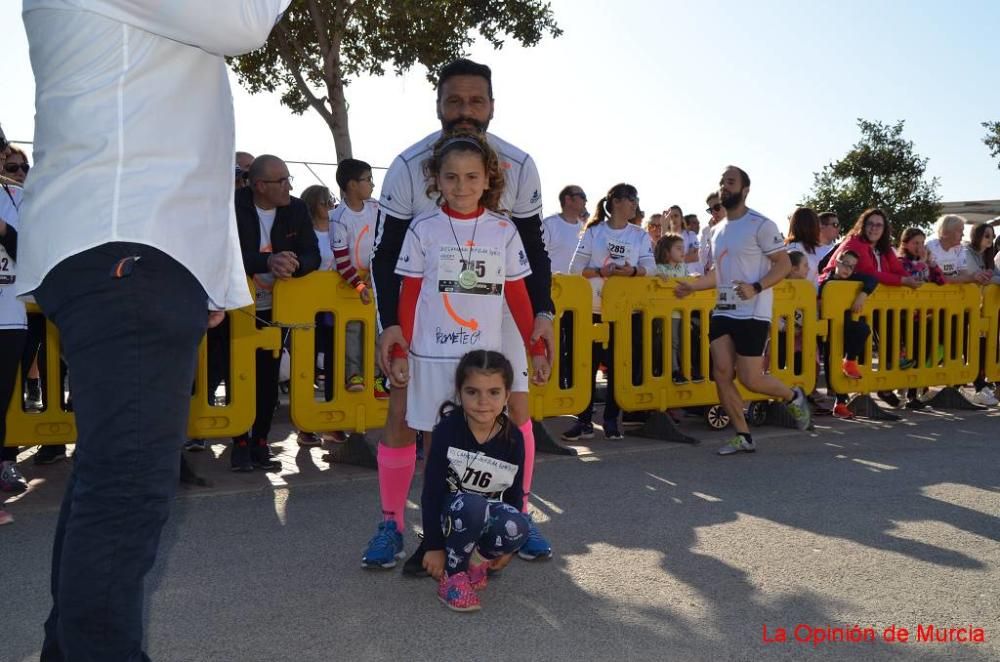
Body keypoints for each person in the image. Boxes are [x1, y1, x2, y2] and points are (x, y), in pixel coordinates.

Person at [18, 2, 290, 658]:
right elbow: (245, 22)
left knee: (111, 477)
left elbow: (177, 121)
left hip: (131, 246)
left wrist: (211, 274)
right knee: (126, 487)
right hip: (125, 242)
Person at [369, 58, 555, 573]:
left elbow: (534, 253)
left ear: (492, 107)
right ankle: (390, 523)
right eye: (454, 101)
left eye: (476, 101)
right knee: (407, 413)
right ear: (438, 106)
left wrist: (542, 315)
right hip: (431, 319)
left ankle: (512, 517)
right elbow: (386, 257)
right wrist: (392, 326)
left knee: (512, 413)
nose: (465, 111)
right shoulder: (408, 166)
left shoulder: (521, 164)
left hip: (498, 311)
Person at [675, 166, 812, 455]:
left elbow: (784, 264)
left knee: (751, 378)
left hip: (753, 311)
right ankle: (742, 435)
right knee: (722, 372)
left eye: (731, 182)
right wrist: (694, 287)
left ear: (745, 190)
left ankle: (792, 396)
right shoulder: (717, 230)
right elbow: (720, 274)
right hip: (723, 310)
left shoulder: (761, 225)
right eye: (722, 181)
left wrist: (756, 287)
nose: (724, 186)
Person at [421, 350, 531, 612]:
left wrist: (508, 548)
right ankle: (453, 576)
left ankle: (476, 560)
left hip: (484, 515)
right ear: (460, 393)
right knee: (472, 505)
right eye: (473, 392)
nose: (483, 401)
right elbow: (432, 492)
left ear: (507, 395)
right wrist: (433, 546)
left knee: (518, 524)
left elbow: (515, 494)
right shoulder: (448, 431)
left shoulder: (513, 438)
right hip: (452, 515)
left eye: (493, 392)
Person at [232, 154, 320, 471]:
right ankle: (239, 442)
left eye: (288, 179)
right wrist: (266, 261)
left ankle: (260, 442)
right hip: (237, 306)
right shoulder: (233, 205)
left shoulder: (295, 209)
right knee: (237, 372)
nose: (287, 186)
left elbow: (313, 253)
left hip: (279, 307)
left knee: (268, 377)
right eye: (280, 180)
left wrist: (294, 264)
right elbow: (226, 253)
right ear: (259, 185)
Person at [562, 183, 655, 441]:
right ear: (616, 202)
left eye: (636, 200)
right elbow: (574, 268)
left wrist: (633, 272)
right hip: (591, 310)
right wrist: (602, 272)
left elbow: (652, 267)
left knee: (619, 366)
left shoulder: (640, 235)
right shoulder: (594, 232)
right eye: (632, 199)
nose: (635, 204)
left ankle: (612, 420)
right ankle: (583, 421)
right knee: (585, 365)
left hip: (624, 312)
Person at [821, 209, 920, 408]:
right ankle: (845, 398)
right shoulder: (854, 244)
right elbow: (869, 272)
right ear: (863, 225)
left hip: (868, 305)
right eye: (870, 224)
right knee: (841, 347)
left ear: (885, 229)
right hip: (839, 303)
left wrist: (909, 278)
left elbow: (896, 268)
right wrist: (903, 280)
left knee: (879, 333)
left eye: (879, 225)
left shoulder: (884, 248)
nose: (874, 228)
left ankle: (882, 382)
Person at [330, 159, 381, 396]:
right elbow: (341, 260)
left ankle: (377, 375)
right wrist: (359, 285)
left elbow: (382, 243)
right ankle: (354, 373)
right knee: (352, 329)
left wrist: (375, 274)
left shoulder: (375, 208)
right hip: (348, 284)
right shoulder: (338, 217)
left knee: (376, 330)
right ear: (352, 185)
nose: (372, 184)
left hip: (373, 280)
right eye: (367, 179)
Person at [0, 142, 30, 505]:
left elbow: (31, 252)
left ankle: (6, 462)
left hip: (8, 316)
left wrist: (4, 229)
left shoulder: (18, 196)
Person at [816, 250, 877, 418]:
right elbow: (818, 303)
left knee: (863, 329)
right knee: (831, 364)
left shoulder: (852, 281)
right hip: (828, 330)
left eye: (852, 267)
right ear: (836, 262)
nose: (847, 269)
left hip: (845, 326)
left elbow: (872, 279)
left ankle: (850, 361)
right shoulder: (825, 283)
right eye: (845, 264)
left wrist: (862, 295)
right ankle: (839, 403)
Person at [959, 223, 998, 406]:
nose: (990, 239)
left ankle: (980, 385)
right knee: (964, 346)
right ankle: (971, 384)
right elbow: (976, 275)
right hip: (964, 307)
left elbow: (994, 276)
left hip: (982, 310)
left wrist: (989, 277)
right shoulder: (967, 252)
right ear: (977, 236)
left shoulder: (989, 256)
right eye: (986, 235)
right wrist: (988, 277)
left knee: (981, 346)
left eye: (992, 236)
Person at [654, 234, 689, 383]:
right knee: (672, 341)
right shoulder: (659, 269)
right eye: (679, 248)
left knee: (685, 341)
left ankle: (687, 369)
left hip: (683, 312)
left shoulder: (683, 268)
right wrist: (658, 275)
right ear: (667, 252)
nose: (683, 252)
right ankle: (674, 370)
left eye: (683, 248)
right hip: (668, 314)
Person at [925, 214, 991, 285]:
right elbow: (936, 278)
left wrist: (976, 276)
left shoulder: (959, 248)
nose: (963, 234)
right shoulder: (931, 247)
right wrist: (972, 277)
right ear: (946, 232)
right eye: (960, 231)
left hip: (952, 293)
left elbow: (963, 275)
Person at [541, 186, 586, 274]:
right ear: (568, 199)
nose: (585, 201)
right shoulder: (549, 224)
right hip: (554, 285)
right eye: (582, 196)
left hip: (577, 285)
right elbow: (538, 256)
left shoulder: (585, 229)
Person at [785, 207, 822, 286]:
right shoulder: (793, 249)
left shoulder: (811, 248)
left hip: (811, 295)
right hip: (800, 296)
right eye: (816, 223)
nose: (820, 227)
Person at [699, 192, 726, 273]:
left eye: (717, 207)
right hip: (710, 280)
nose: (714, 212)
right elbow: (702, 260)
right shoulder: (706, 231)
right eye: (710, 210)